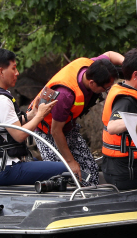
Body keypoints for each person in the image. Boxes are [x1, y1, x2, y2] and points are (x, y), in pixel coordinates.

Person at [0, 48, 67, 185]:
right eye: (14, 68)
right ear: (1, 71)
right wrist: (40, 115)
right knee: (66, 168)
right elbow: (19, 135)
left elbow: (7, 124)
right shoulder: (1, 100)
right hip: (5, 170)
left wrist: (32, 114)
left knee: (38, 163)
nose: (17, 73)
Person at [33, 51, 123, 186]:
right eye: (105, 88)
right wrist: (70, 161)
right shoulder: (65, 95)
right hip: (47, 130)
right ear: (92, 83)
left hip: (68, 126)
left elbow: (110, 55)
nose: (107, 91)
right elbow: (56, 131)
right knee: (62, 173)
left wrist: (126, 64)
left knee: (91, 173)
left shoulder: (93, 66)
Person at [101, 48, 137, 190]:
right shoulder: (126, 100)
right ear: (136, 75)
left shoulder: (128, 89)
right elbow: (112, 127)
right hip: (125, 170)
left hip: (122, 165)